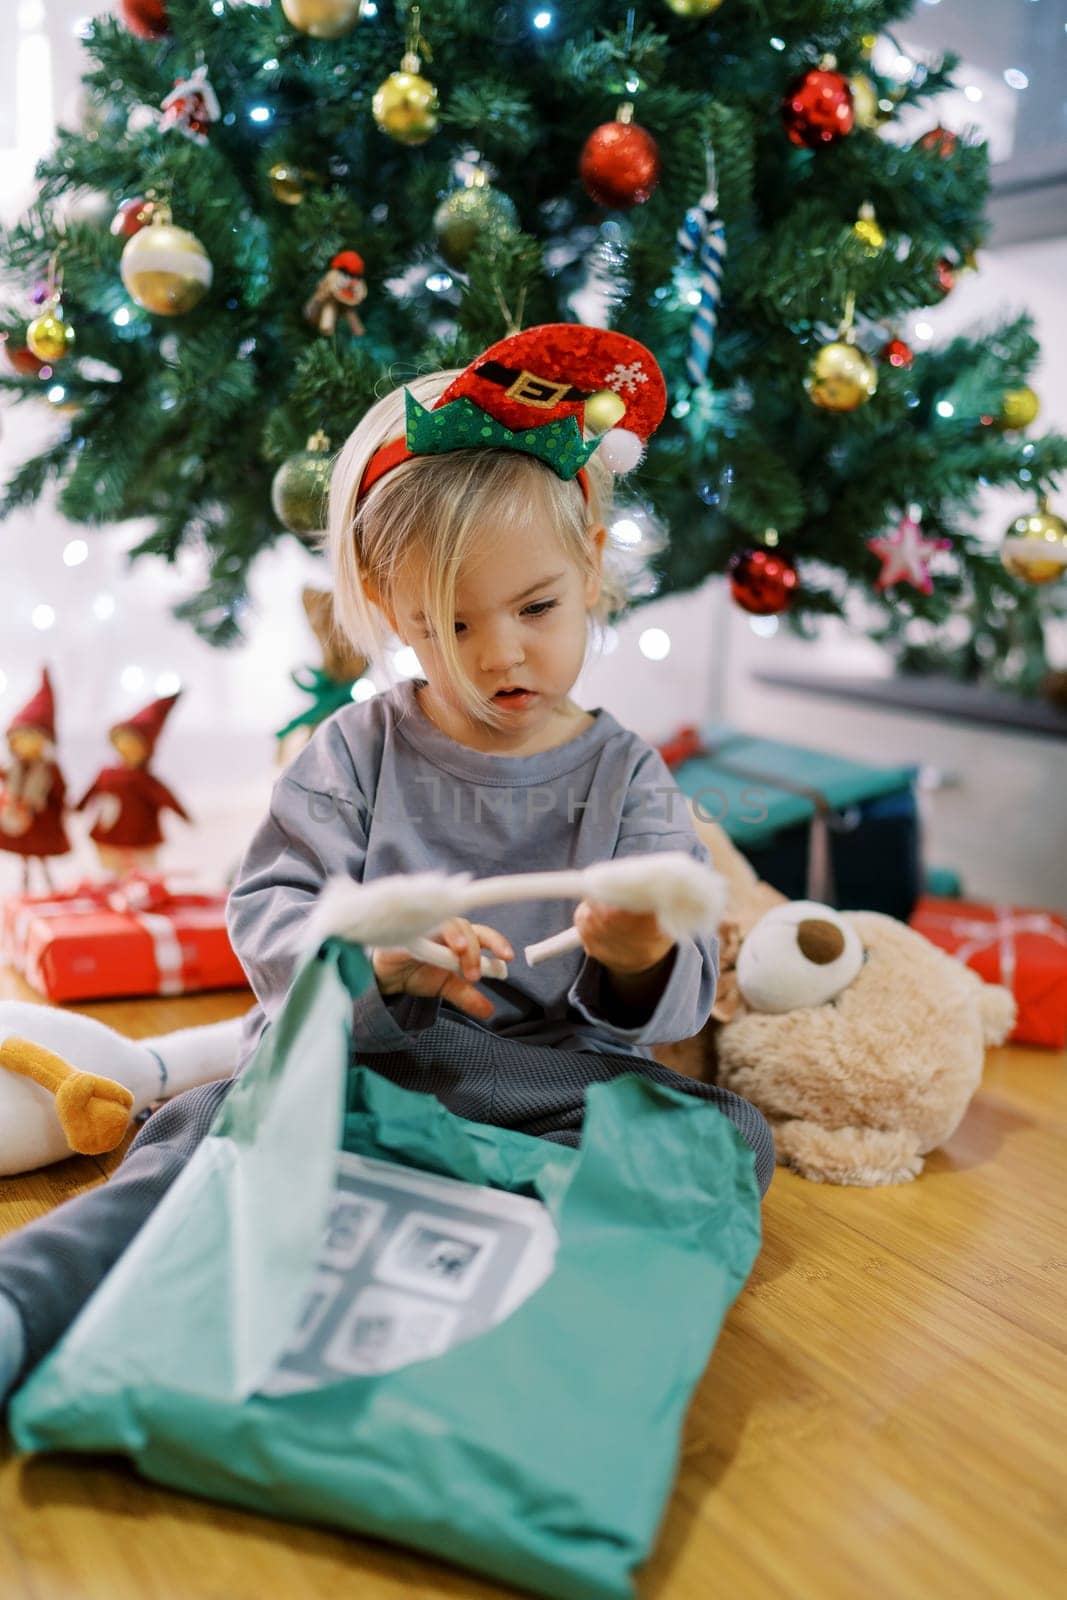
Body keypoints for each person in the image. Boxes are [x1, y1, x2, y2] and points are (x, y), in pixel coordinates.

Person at [0, 325, 773, 1410]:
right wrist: (370, 958)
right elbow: (271, 910)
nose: (498, 652)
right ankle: (27, 1300)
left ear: (590, 559)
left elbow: (671, 978)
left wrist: (640, 951)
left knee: (721, 1134)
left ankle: (531, 1328)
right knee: (196, 1131)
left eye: (535, 608)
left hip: (541, 1080)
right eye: (445, 624)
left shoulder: (625, 774)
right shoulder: (354, 749)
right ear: (390, 608)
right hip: (364, 1053)